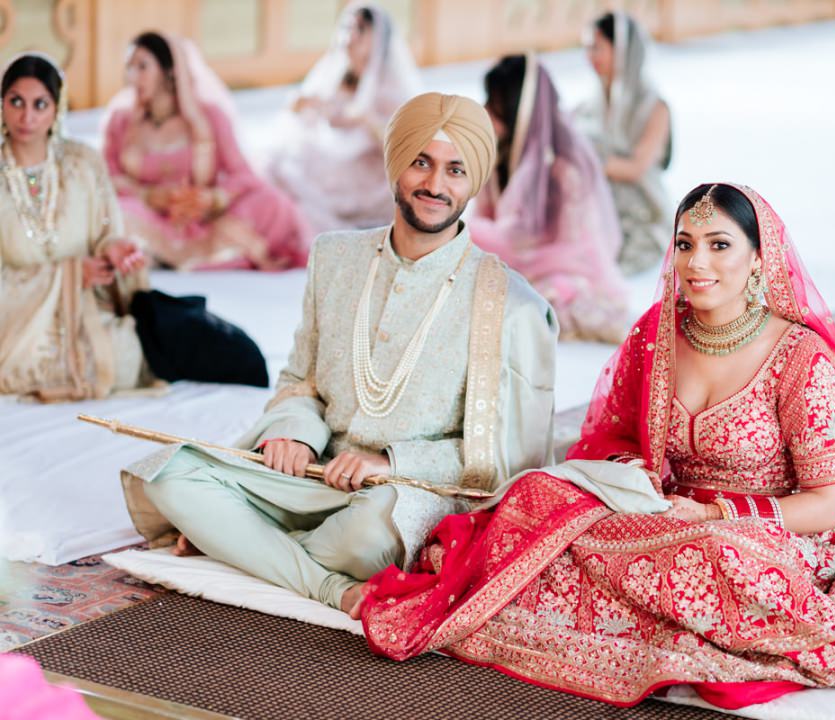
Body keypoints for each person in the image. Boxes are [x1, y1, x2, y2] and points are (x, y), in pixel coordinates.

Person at [358, 183, 835, 713]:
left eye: (718, 245)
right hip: (662, 514)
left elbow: (826, 505)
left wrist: (719, 514)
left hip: (763, 537)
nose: (696, 262)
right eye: (685, 244)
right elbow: (614, 435)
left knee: (720, 557)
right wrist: (628, 475)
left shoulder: (801, 358)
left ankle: (679, 606)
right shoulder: (658, 332)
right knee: (537, 500)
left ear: (759, 259)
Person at [120, 92, 559, 618]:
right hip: (308, 478)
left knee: (363, 539)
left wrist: (389, 462)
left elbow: (511, 459)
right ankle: (323, 582)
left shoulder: (511, 304)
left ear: (474, 180)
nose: (435, 185)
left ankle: (240, 545)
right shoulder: (335, 257)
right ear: (396, 163)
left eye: (455, 170)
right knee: (167, 473)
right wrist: (292, 433)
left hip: (397, 496)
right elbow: (298, 379)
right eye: (421, 161)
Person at [1, 54, 268, 401]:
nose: (27, 117)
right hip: (16, 326)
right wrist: (67, 275)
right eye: (16, 102)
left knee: (141, 352)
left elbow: (105, 232)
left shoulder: (83, 163)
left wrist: (113, 250)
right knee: (69, 364)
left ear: (57, 109)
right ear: (2, 102)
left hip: (86, 312)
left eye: (40, 104)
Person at [102, 32, 310, 271]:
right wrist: (149, 196)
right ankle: (169, 254)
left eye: (142, 67)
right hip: (148, 214)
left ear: (170, 70)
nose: (132, 77)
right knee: (114, 213)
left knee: (274, 203)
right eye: (128, 68)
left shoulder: (209, 116)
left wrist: (211, 199)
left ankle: (167, 255)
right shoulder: (121, 120)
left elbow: (242, 174)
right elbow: (106, 176)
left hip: (206, 219)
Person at [471, 54, 627, 343]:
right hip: (513, 255)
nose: (485, 112)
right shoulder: (501, 153)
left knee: (552, 295)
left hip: (563, 264)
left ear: (515, 107)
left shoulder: (564, 169)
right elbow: (484, 216)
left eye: (492, 103)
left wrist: (475, 235)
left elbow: (569, 244)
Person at [267, 3, 421, 235]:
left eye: (360, 30)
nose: (350, 37)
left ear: (377, 39)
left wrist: (367, 121)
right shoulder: (339, 76)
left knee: (289, 175)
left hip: (368, 173)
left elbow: (404, 151)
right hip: (336, 159)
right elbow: (312, 120)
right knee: (278, 159)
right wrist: (305, 105)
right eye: (348, 28)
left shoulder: (390, 90)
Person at [576, 12, 671, 275]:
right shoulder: (588, 106)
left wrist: (585, 159)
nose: (590, 56)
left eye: (598, 48)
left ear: (622, 51)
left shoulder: (654, 107)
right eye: (587, 48)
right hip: (598, 204)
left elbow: (636, 168)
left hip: (641, 208)